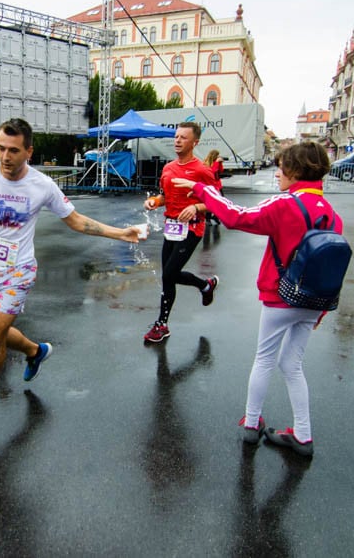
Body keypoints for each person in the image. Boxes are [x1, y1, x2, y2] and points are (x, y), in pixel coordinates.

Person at [0, 117, 141, 437]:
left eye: (14, 151)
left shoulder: (42, 186)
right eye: (1, 148)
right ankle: (35, 351)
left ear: (28, 152)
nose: (5, 157)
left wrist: (122, 234)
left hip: (18, 272)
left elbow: (76, 221)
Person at [173, 141, 342, 457]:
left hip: (280, 298)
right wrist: (320, 313)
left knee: (264, 359)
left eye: (281, 168)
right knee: (293, 364)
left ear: (295, 171)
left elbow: (237, 217)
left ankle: (252, 424)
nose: (277, 173)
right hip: (313, 301)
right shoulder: (331, 214)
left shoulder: (285, 205)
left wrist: (201, 190)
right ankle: (303, 436)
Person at [142, 122, 220, 344]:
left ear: (195, 142)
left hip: (193, 228)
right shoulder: (168, 168)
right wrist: (154, 201)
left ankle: (161, 324)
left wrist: (196, 207)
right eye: (176, 137)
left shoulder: (202, 171)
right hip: (172, 227)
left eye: (183, 137)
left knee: (168, 274)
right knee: (169, 275)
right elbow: (164, 196)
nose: (177, 140)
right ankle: (205, 286)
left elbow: (217, 203)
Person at [202, 148, 225, 243]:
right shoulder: (206, 163)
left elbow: (220, 171)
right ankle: (207, 218)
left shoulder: (217, 163)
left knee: (221, 201)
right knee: (210, 202)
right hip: (211, 185)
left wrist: (220, 163)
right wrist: (216, 163)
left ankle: (215, 215)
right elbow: (212, 171)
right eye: (217, 156)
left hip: (218, 185)